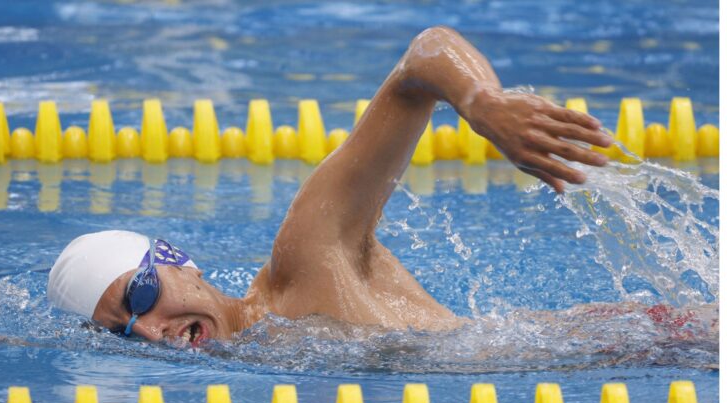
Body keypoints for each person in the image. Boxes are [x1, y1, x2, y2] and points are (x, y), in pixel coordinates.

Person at [48, 26, 613, 346]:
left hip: (646, 345)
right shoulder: (259, 356)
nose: (150, 331)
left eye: (139, 297)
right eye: (126, 333)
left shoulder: (306, 262)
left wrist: (480, 102)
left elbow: (425, 56)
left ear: (174, 260)